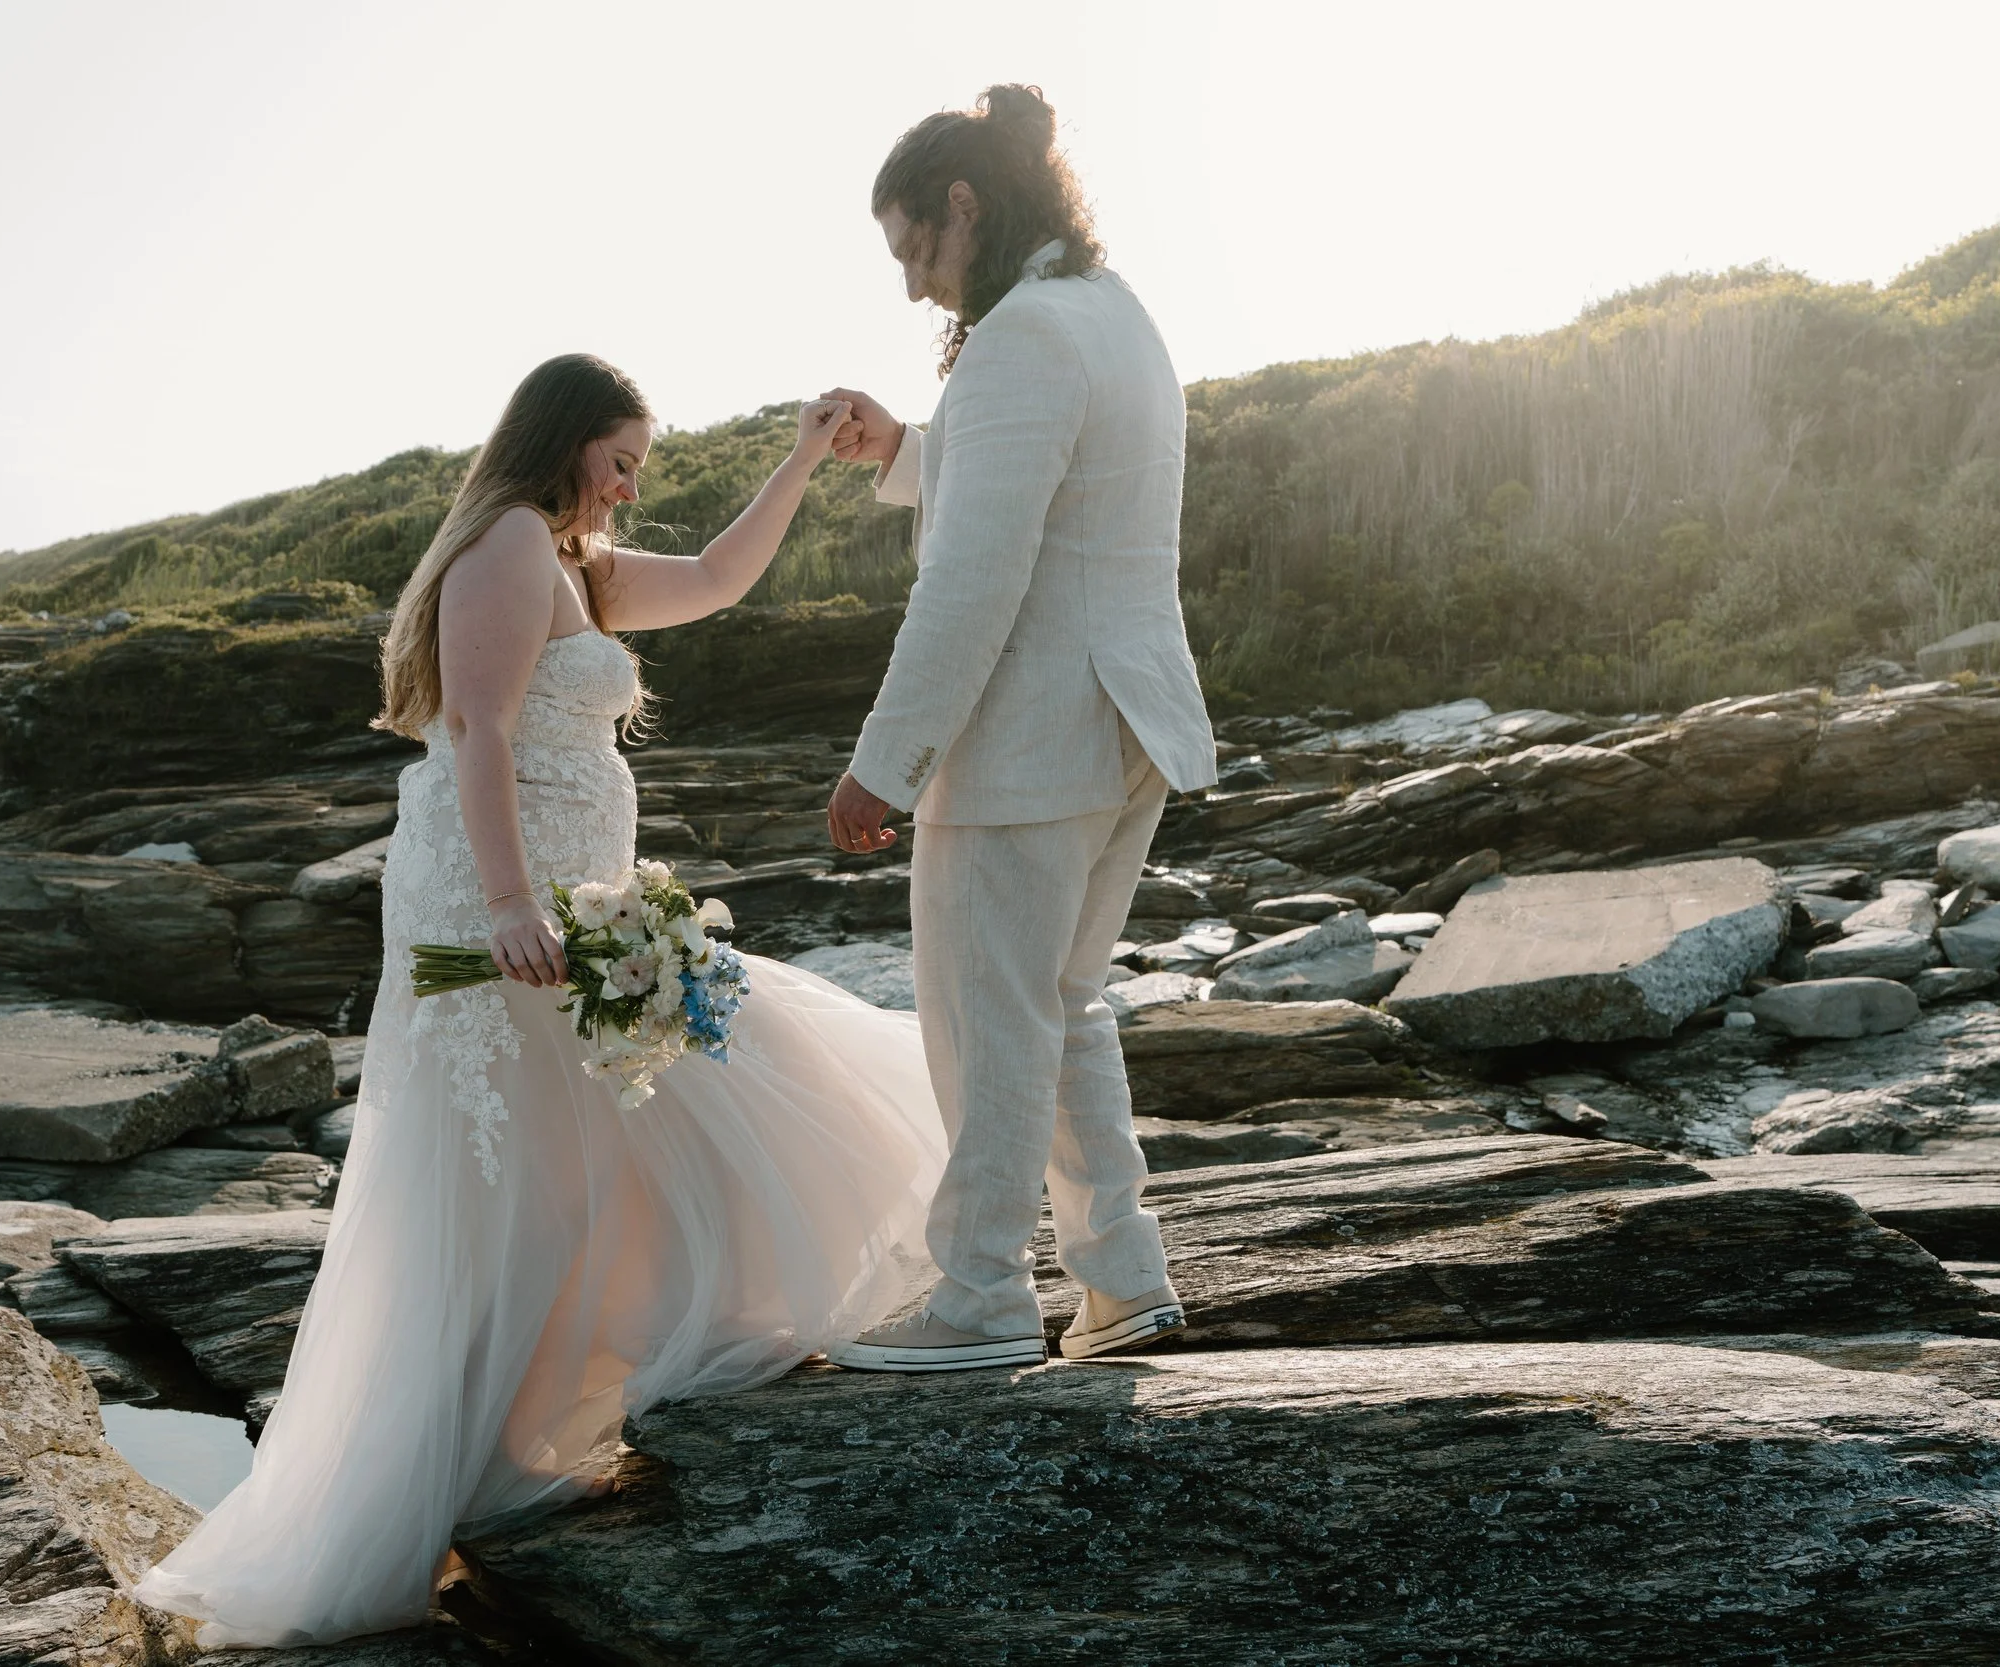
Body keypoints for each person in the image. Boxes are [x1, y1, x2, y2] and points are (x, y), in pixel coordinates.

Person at [134, 355, 948, 1646]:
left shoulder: (577, 560)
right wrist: (515, 905)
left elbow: (724, 581)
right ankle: (513, 1447)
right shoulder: (509, 543)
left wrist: (800, 456)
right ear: (562, 442)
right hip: (498, 907)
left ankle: (570, 1417)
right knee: (525, 1172)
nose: (631, 483)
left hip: (579, 904)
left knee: (603, 1150)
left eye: (640, 465)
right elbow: (484, 733)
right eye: (619, 457)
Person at [816, 84, 1219, 1373]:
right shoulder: (1112, 314)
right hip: (1126, 724)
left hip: (1034, 740)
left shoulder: (1021, 336)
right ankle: (1122, 1281)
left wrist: (884, 765)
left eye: (913, 249)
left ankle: (983, 1294)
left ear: (964, 206)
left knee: (989, 1024)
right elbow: (1053, 477)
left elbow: (975, 580)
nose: (914, 286)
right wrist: (907, 451)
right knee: (1061, 1007)